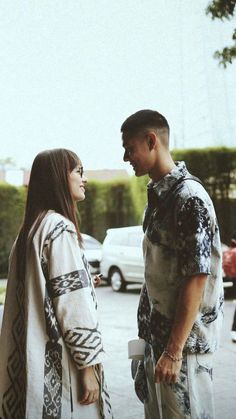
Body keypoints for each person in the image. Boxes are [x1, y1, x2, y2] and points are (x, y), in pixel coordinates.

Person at [121, 110, 224, 419]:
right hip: (158, 346)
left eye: (129, 148)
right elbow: (154, 277)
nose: (126, 157)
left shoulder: (189, 198)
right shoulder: (159, 200)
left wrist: (174, 350)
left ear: (151, 141)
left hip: (183, 352)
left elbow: (197, 277)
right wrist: (144, 345)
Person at [0, 149, 113, 419]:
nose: (84, 179)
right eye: (78, 172)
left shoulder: (30, 230)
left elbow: (48, 291)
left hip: (29, 364)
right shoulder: (59, 228)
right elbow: (73, 305)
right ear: (58, 178)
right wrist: (88, 368)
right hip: (60, 368)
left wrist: (84, 283)